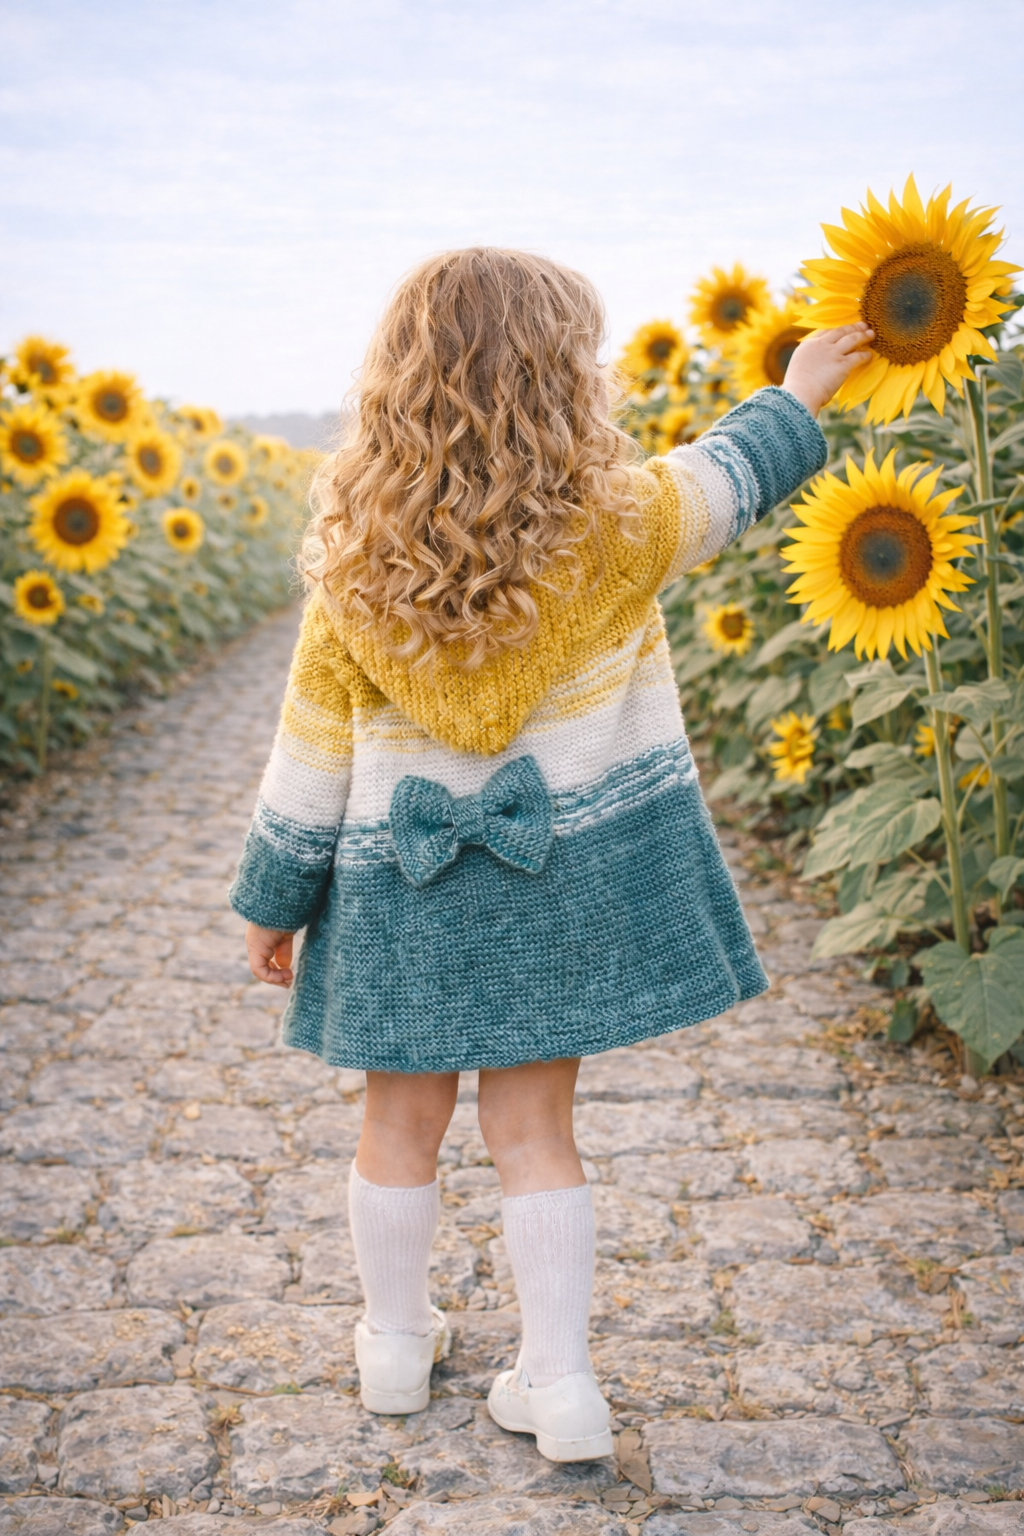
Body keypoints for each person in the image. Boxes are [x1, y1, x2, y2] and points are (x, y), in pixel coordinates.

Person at [230, 248, 873, 1462]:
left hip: (397, 896)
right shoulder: (618, 527)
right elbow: (730, 475)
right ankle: (562, 1383)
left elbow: (306, 755)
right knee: (535, 1135)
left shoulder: (353, 562)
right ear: (560, 383)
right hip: (554, 887)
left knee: (396, 1127)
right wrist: (800, 389)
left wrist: (273, 901)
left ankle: (391, 1345)